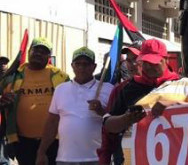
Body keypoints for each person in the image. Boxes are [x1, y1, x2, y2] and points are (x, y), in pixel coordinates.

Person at [36, 47, 113, 165]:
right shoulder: (60, 89)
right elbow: (52, 123)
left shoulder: (107, 89)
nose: (81, 68)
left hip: (97, 159)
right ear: (72, 66)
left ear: (94, 66)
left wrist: (101, 111)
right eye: (78, 64)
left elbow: (116, 122)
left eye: (86, 64)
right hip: (65, 159)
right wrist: (41, 152)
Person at [0, 37, 69, 165]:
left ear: (49, 56)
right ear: (29, 51)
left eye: (43, 51)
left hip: (55, 141)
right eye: (36, 49)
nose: (38, 53)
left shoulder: (61, 76)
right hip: (22, 142)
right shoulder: (13, 76)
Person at [103, 39, 179, 134]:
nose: (148, 67)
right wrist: (126, 119)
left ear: (166, 60)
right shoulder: (128, 88)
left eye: (153, 62)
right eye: (144, 62)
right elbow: (108, 125)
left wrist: (171, 103)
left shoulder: (181, 85)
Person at [97, 43, 142, 165]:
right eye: (128, 60)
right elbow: (108, 133)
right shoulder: (119, 90)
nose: (132, 65)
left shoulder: (167, 86)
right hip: (124, 157)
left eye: (136, 59)